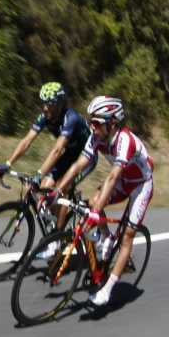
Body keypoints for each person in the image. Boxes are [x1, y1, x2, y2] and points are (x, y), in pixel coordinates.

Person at [49, 96, 154, 307]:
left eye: (97, 123)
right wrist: (57, 191)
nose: (92, 127)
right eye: (91, 122)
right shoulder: (96, 137)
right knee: (91, 203)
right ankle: (106, 237)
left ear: (113, 123)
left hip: (140, 185)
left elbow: (112, 176)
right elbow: (79, 164)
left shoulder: (125, 140)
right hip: (124, 180)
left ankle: (107, 290)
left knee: (127, 235)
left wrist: (96, 212)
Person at [0, 82, 96, 250]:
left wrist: (39, 173)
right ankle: (57, 217)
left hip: (87, 157)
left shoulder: (71, 118)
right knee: (45, 187)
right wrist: (8, 163)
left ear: (60, 104)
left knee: (63, 188)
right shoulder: (45, 117)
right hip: (71, 155)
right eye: (44, 103)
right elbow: (27, 141)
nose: (45, 108)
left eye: (50, 104)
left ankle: (57, 239)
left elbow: (57, 150)